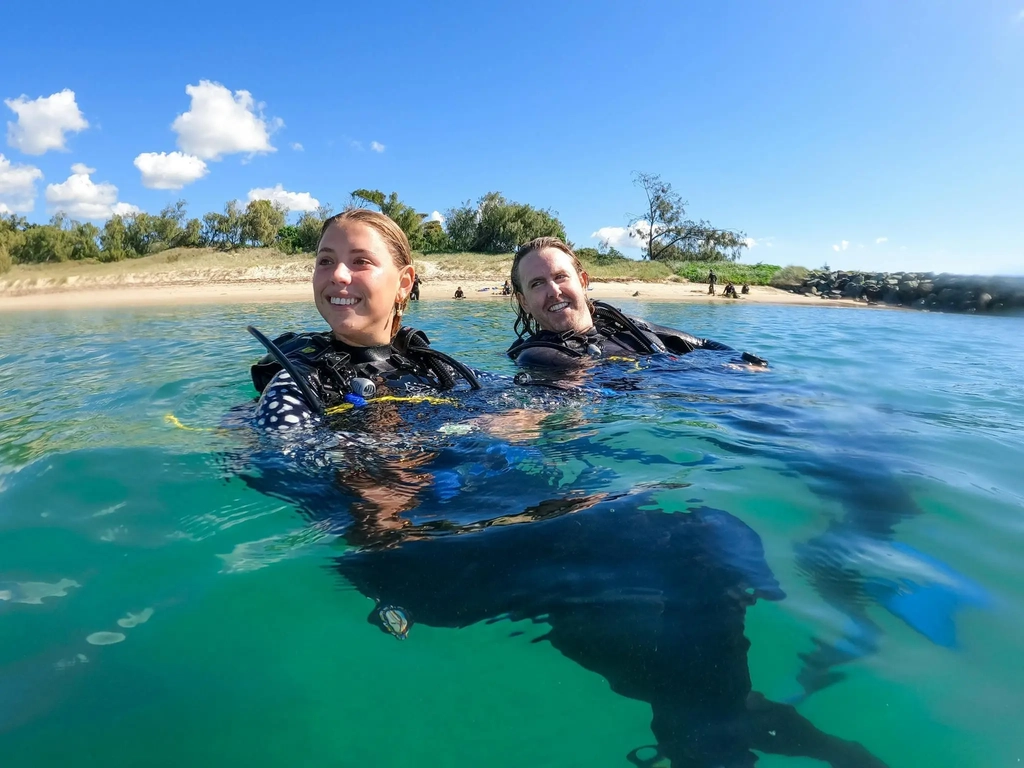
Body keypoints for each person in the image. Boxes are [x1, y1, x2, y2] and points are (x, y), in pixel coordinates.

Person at [249, 209, 479, 434]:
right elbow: (282, 459)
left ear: (404, 284)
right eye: (326, 261)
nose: (338, 274)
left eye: (360, 261)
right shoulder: (295, 384)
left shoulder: (435, 366)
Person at [505, 237, 766, 369]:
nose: (553, 290)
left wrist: (737, 363)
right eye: (537, 284)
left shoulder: (623, 325)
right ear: (523, 302)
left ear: (583, 282)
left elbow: (704, 344)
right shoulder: (538, 356)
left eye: (561, 277)